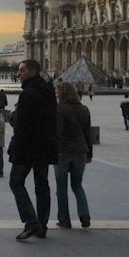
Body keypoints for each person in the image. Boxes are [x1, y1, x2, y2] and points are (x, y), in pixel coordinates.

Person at [9, 59, 57, 241]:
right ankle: (42, 225)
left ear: (32, 71)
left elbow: (22, 125)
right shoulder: (49, 91)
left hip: (28, 147)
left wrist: (14, 116)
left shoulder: (28, 94)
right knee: (42, 185)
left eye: (21, 70)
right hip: (45, 147)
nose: (18, 73)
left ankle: (31, 221)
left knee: (16, 182)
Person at [54, 82, 92, 229]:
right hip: (81, 151)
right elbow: (87, 134)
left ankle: (64, 221)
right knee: (77, 185)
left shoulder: (60, 109)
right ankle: (84, 215)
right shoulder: (84, 109)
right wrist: (89, 154)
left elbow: (57, 132)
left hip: (63, 152)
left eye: (58, 92)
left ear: (62, 94)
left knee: (61, 187)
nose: (56, 95)